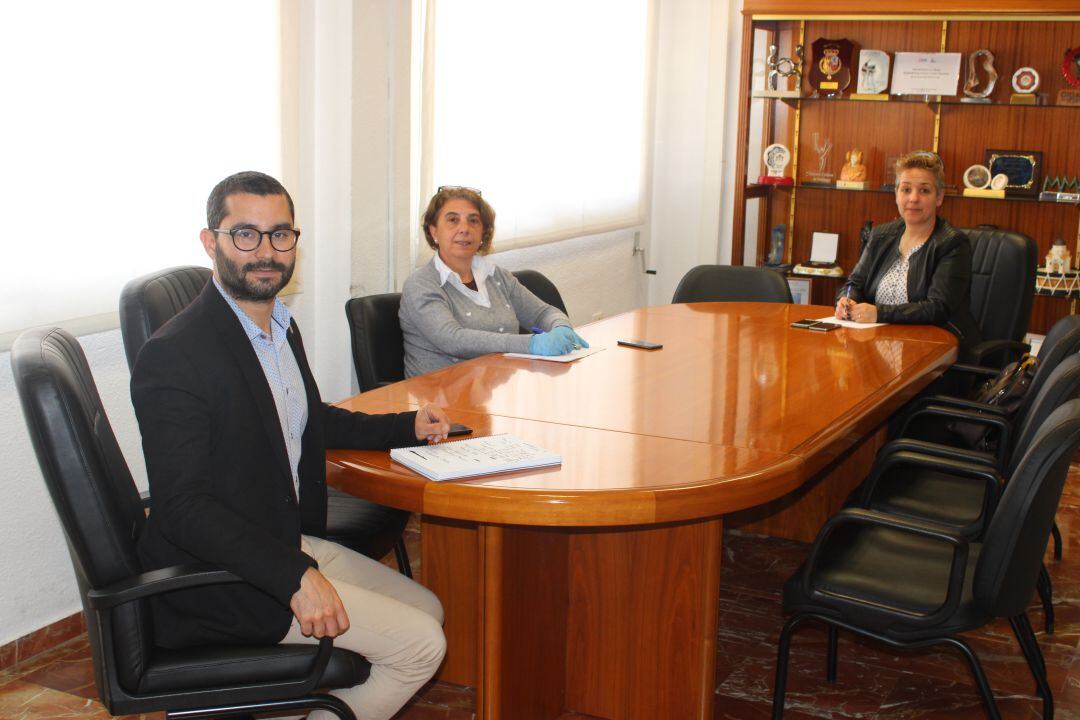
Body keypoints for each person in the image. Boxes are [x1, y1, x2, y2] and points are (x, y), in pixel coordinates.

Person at [131, 171, 449, 720]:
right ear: (211, 242)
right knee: (421, 646)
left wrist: (405, 426)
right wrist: (294, 577)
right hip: (220, 578)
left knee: (428, 607)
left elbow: (307, 419)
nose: (266, 251)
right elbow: (182, 508)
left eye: (280, 234)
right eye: (245, 234)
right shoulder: (175, 354)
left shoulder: (278, 324)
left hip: (279, 538)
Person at [399, 186, 589, 377]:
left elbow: (543, 313)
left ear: (483, 233)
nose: (464, 229)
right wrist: (532, 344)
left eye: (473, 221)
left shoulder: (496, 276)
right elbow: (452, 339)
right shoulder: (421, 284)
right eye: (453, 220)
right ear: (434, 232)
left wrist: (560, 326)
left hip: (492, 391)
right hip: (435, 398)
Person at [835, 150, 981, 356]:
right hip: (875, 345)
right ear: (896, 194)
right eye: (906, 190)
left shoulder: (953, 243)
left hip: (933, 351)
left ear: (939, 197)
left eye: (924, 191)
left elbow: (937, 308)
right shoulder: (880, 236)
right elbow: (854, 284)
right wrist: (846, 300)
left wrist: (879, 313)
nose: (913, 198)